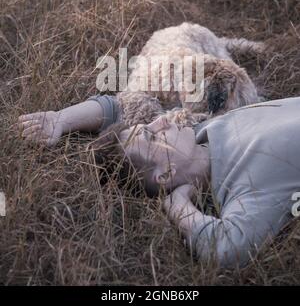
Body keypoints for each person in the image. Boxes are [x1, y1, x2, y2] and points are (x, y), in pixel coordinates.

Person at [17, 94, 300, 268]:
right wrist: (178, 207)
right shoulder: (248, 185)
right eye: (152, 136)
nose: (162, 121)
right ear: (164, 174)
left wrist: (60, 120)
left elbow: (119, 106)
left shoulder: (203, 130)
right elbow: (226, 249)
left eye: (148, 127)